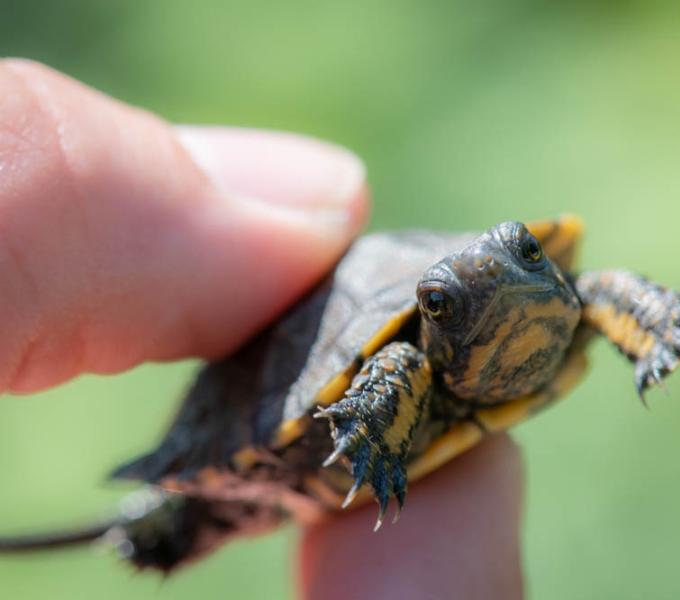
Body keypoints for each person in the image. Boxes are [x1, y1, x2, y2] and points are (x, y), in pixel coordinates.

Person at [0, 59, 524, 599]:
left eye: (527, 255)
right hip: (291, 441)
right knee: (186, 517)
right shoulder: (411, 356)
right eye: (445, 304)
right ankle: (168, 518)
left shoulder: (555, 296)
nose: (505, 283)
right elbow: (400, 355)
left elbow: (592, 287)